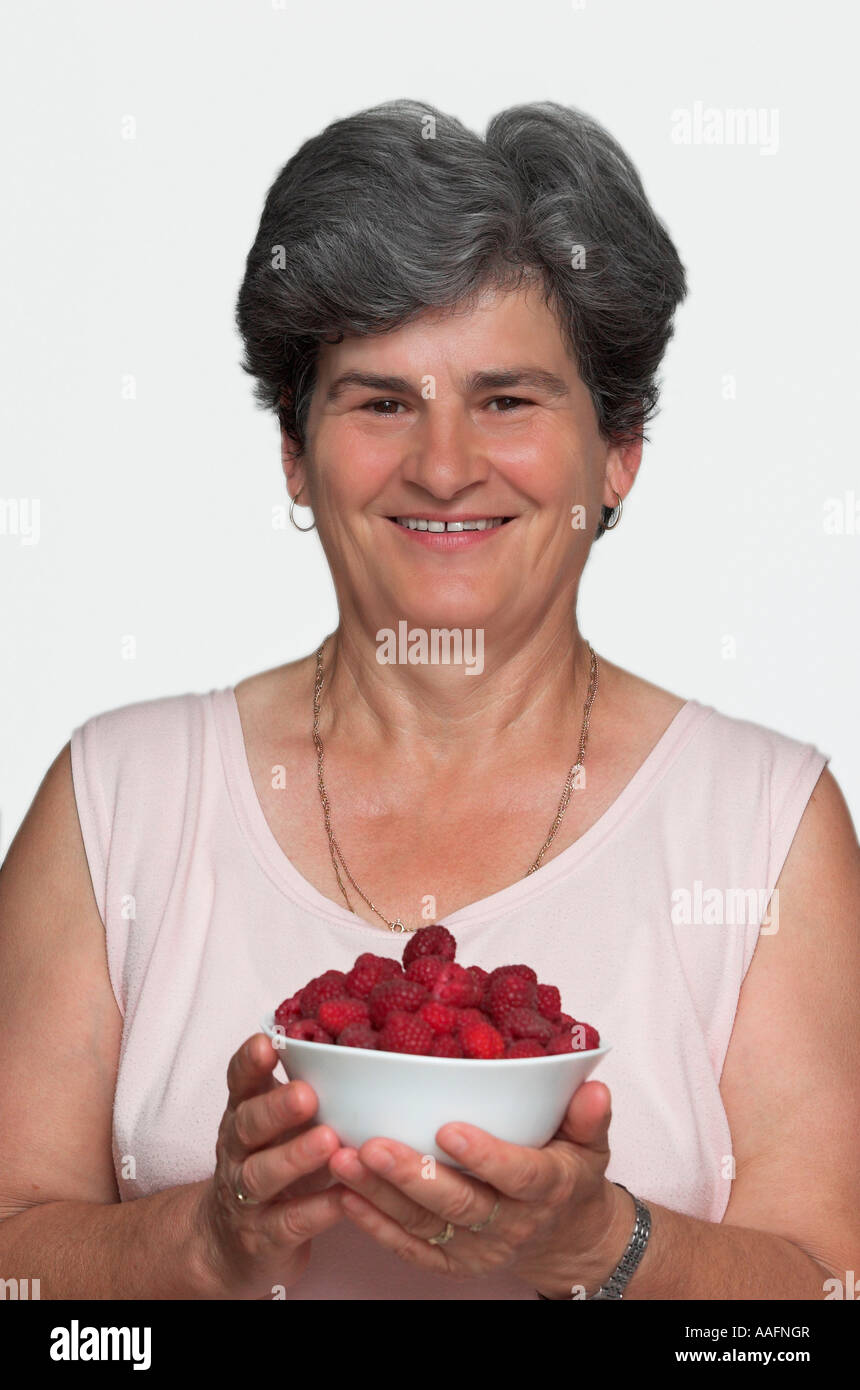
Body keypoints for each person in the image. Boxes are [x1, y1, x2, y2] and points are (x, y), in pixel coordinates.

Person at [1, 99, 857, 1301]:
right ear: (296, 455)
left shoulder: (764, 824)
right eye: (380, 400)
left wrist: (595, 1249)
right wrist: (202, 1244)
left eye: (507, 400)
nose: (443, 465)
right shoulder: (115, 797)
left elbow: (821, 1307)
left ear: (616, 453)